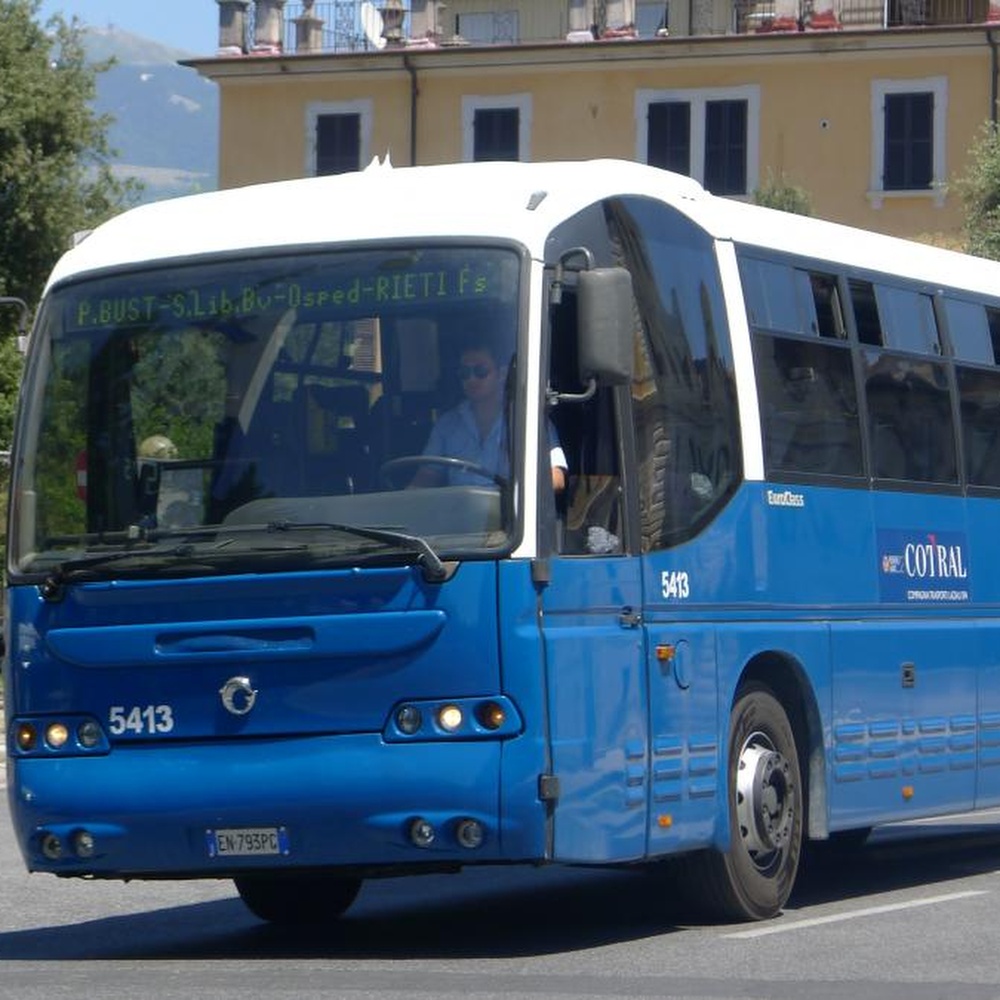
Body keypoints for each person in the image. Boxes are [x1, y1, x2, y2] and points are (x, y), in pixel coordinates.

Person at [410, 341, 567, 491]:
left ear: (501, 374)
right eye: (465, 373)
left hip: (510, 516)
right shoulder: (447, 424)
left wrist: (516, 494)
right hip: (457, 515)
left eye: (480, 371)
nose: (471, 379)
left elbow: (556, 478)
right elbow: (426, 478)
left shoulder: (528, 420)